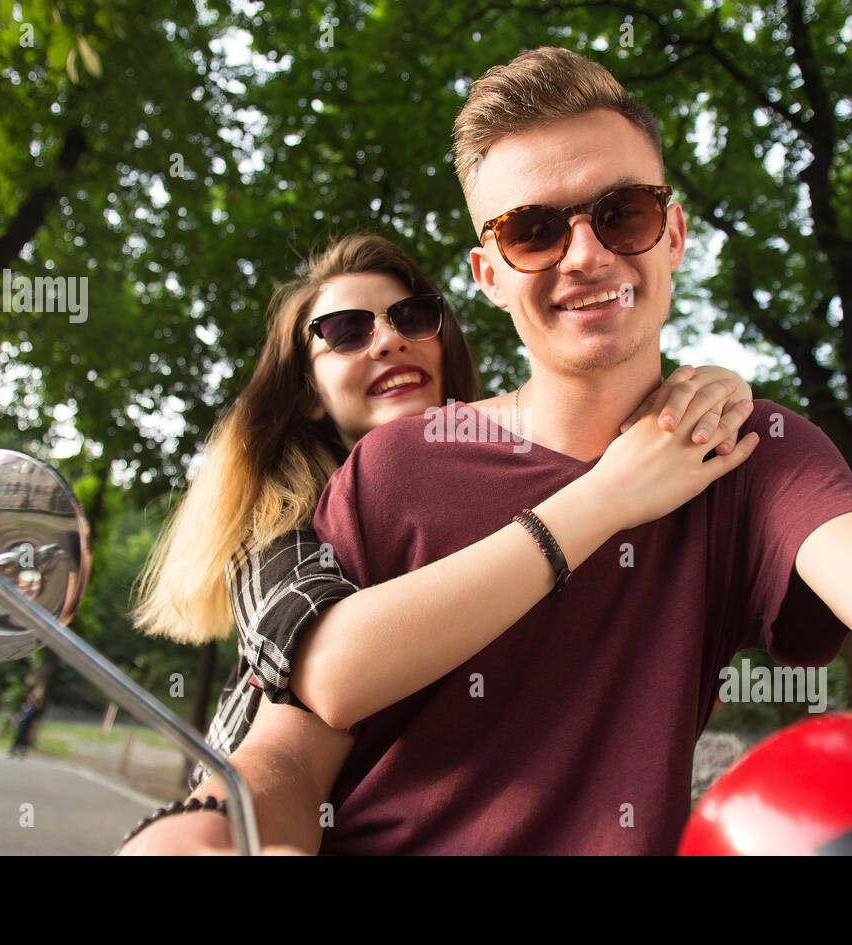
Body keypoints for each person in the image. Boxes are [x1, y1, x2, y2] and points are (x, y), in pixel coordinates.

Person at [133, 47, 852, 856]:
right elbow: (293, 749)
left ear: (674, 234)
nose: (584, 255)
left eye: (623, 213)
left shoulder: (750, 450)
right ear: (486, 271)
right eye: (531, 230)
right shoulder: (394, 469)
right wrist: (215, 835)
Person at [119, 232, 755, 852]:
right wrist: (607, 495)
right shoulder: (283, 526)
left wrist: (699, 399)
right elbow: (327, 677)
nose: (389, 338)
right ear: (309, 394)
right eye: (346, 331)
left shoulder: (516, 477)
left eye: (413, 317)